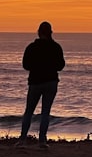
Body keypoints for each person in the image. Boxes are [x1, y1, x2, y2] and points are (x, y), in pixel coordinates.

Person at [15, 21, 66, 149]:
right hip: (51, 82)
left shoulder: (32, 47)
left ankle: (22, 140)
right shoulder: (56, 47)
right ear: (50, 33)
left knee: (29, 111)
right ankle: (42, 141)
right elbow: (60, 66)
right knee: (45, 112)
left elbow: (26, 65)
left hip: (35, 82)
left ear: (39, 32)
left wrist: (36, 67)